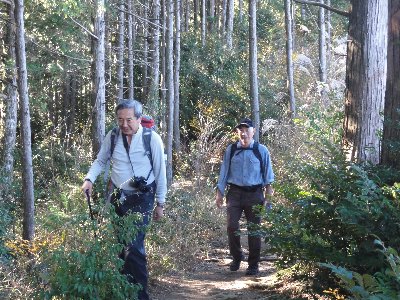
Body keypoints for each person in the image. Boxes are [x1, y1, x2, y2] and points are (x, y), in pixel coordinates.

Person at [81, 99, 167, 300]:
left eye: (129, 119)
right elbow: (101, 160)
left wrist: (160, 203)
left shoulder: (151, 139)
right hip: (118, 197)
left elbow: (161, 173)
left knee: (134, 247)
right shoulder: (112, 136)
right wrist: (89, 179)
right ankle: (125, 291)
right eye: (120, 120)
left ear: (138, 118)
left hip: (142, 197)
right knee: (121, 246)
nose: (124, 124)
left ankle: (140, 296)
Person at [215, 117, 274, 276]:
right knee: (231, 226)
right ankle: (237, 257)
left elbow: (268, 177)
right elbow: (224, 172)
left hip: (255, 194)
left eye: (247, 129)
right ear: (237, 132)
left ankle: (253, 265)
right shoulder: (231, 149)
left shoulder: (261, 150)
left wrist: (269, 196)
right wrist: (219, 193)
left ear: (253, 131)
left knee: (254, 230)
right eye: (240, 130)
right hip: (234, 193)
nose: (243, 133)